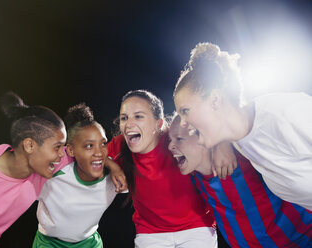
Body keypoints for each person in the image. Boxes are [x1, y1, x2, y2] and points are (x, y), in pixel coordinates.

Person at [0, 92, 126, 248]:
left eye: (63, 148)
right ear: (29, 145)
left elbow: (89, 154)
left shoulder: (47, 166)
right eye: (56, 147)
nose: (62, 155)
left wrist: (112, 165)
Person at [173, 42, 312, 211]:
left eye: (185, 111)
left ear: (215, 100)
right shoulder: (241, 141)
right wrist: (221, 144)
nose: (183, 123)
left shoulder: (287, 114)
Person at [168, 114, 312, 248]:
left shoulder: (245, 154)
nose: (170, 146)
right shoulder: (194, 176)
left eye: (179, 138)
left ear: (204, 136)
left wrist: (223, 141)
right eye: (170, 140)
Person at [107, 89, 217, 248]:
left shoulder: (176, 138)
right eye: (124, 118)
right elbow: (92, 153)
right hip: (150, 233)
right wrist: (112, 166)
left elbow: (211, 135)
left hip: (196, 227)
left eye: (138, 116)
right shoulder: (120, 144)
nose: (129, 124)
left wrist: (223, 148)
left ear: (158, 124)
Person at [32, 103, 127, 248]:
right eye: (89, 145)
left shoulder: (115, 177)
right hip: (49, 243)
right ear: (70, 150)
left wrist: (112, 165)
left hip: (89, 243)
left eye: (103, 144)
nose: (99, 152)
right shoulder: (52, 173)